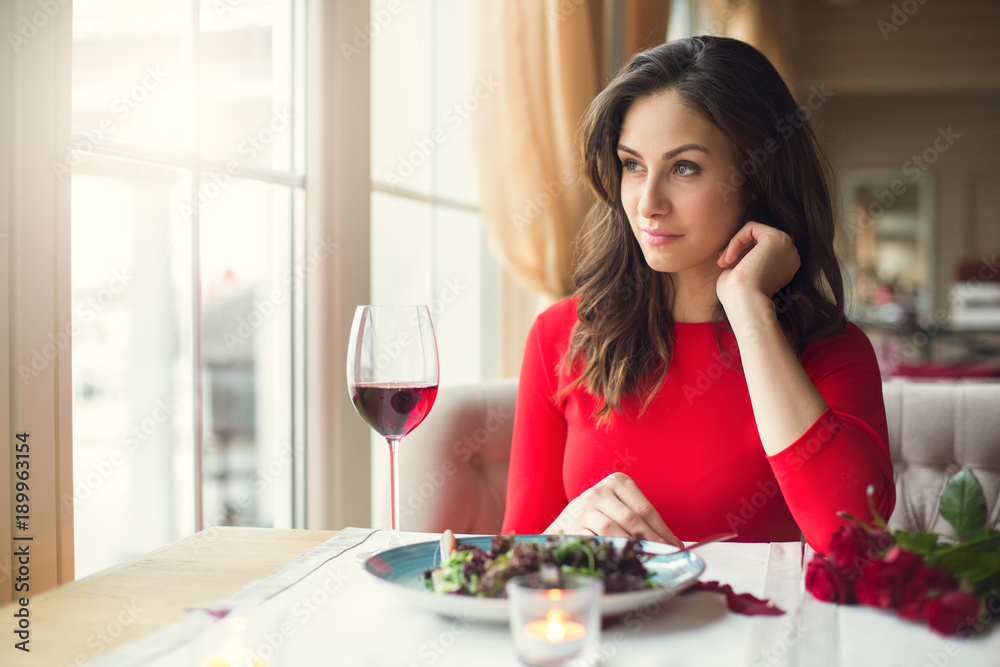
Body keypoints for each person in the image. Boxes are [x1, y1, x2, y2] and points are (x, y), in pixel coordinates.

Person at [500, 36, 895, 554]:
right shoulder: (560, 335)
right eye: (632, 164)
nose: (647, 203)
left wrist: (751, 310)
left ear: (756, 177)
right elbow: (516, 556)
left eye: (685, 168)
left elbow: (853, 539)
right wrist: (563, 531)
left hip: (759, 632)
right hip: (603, 630)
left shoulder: (831, 350)